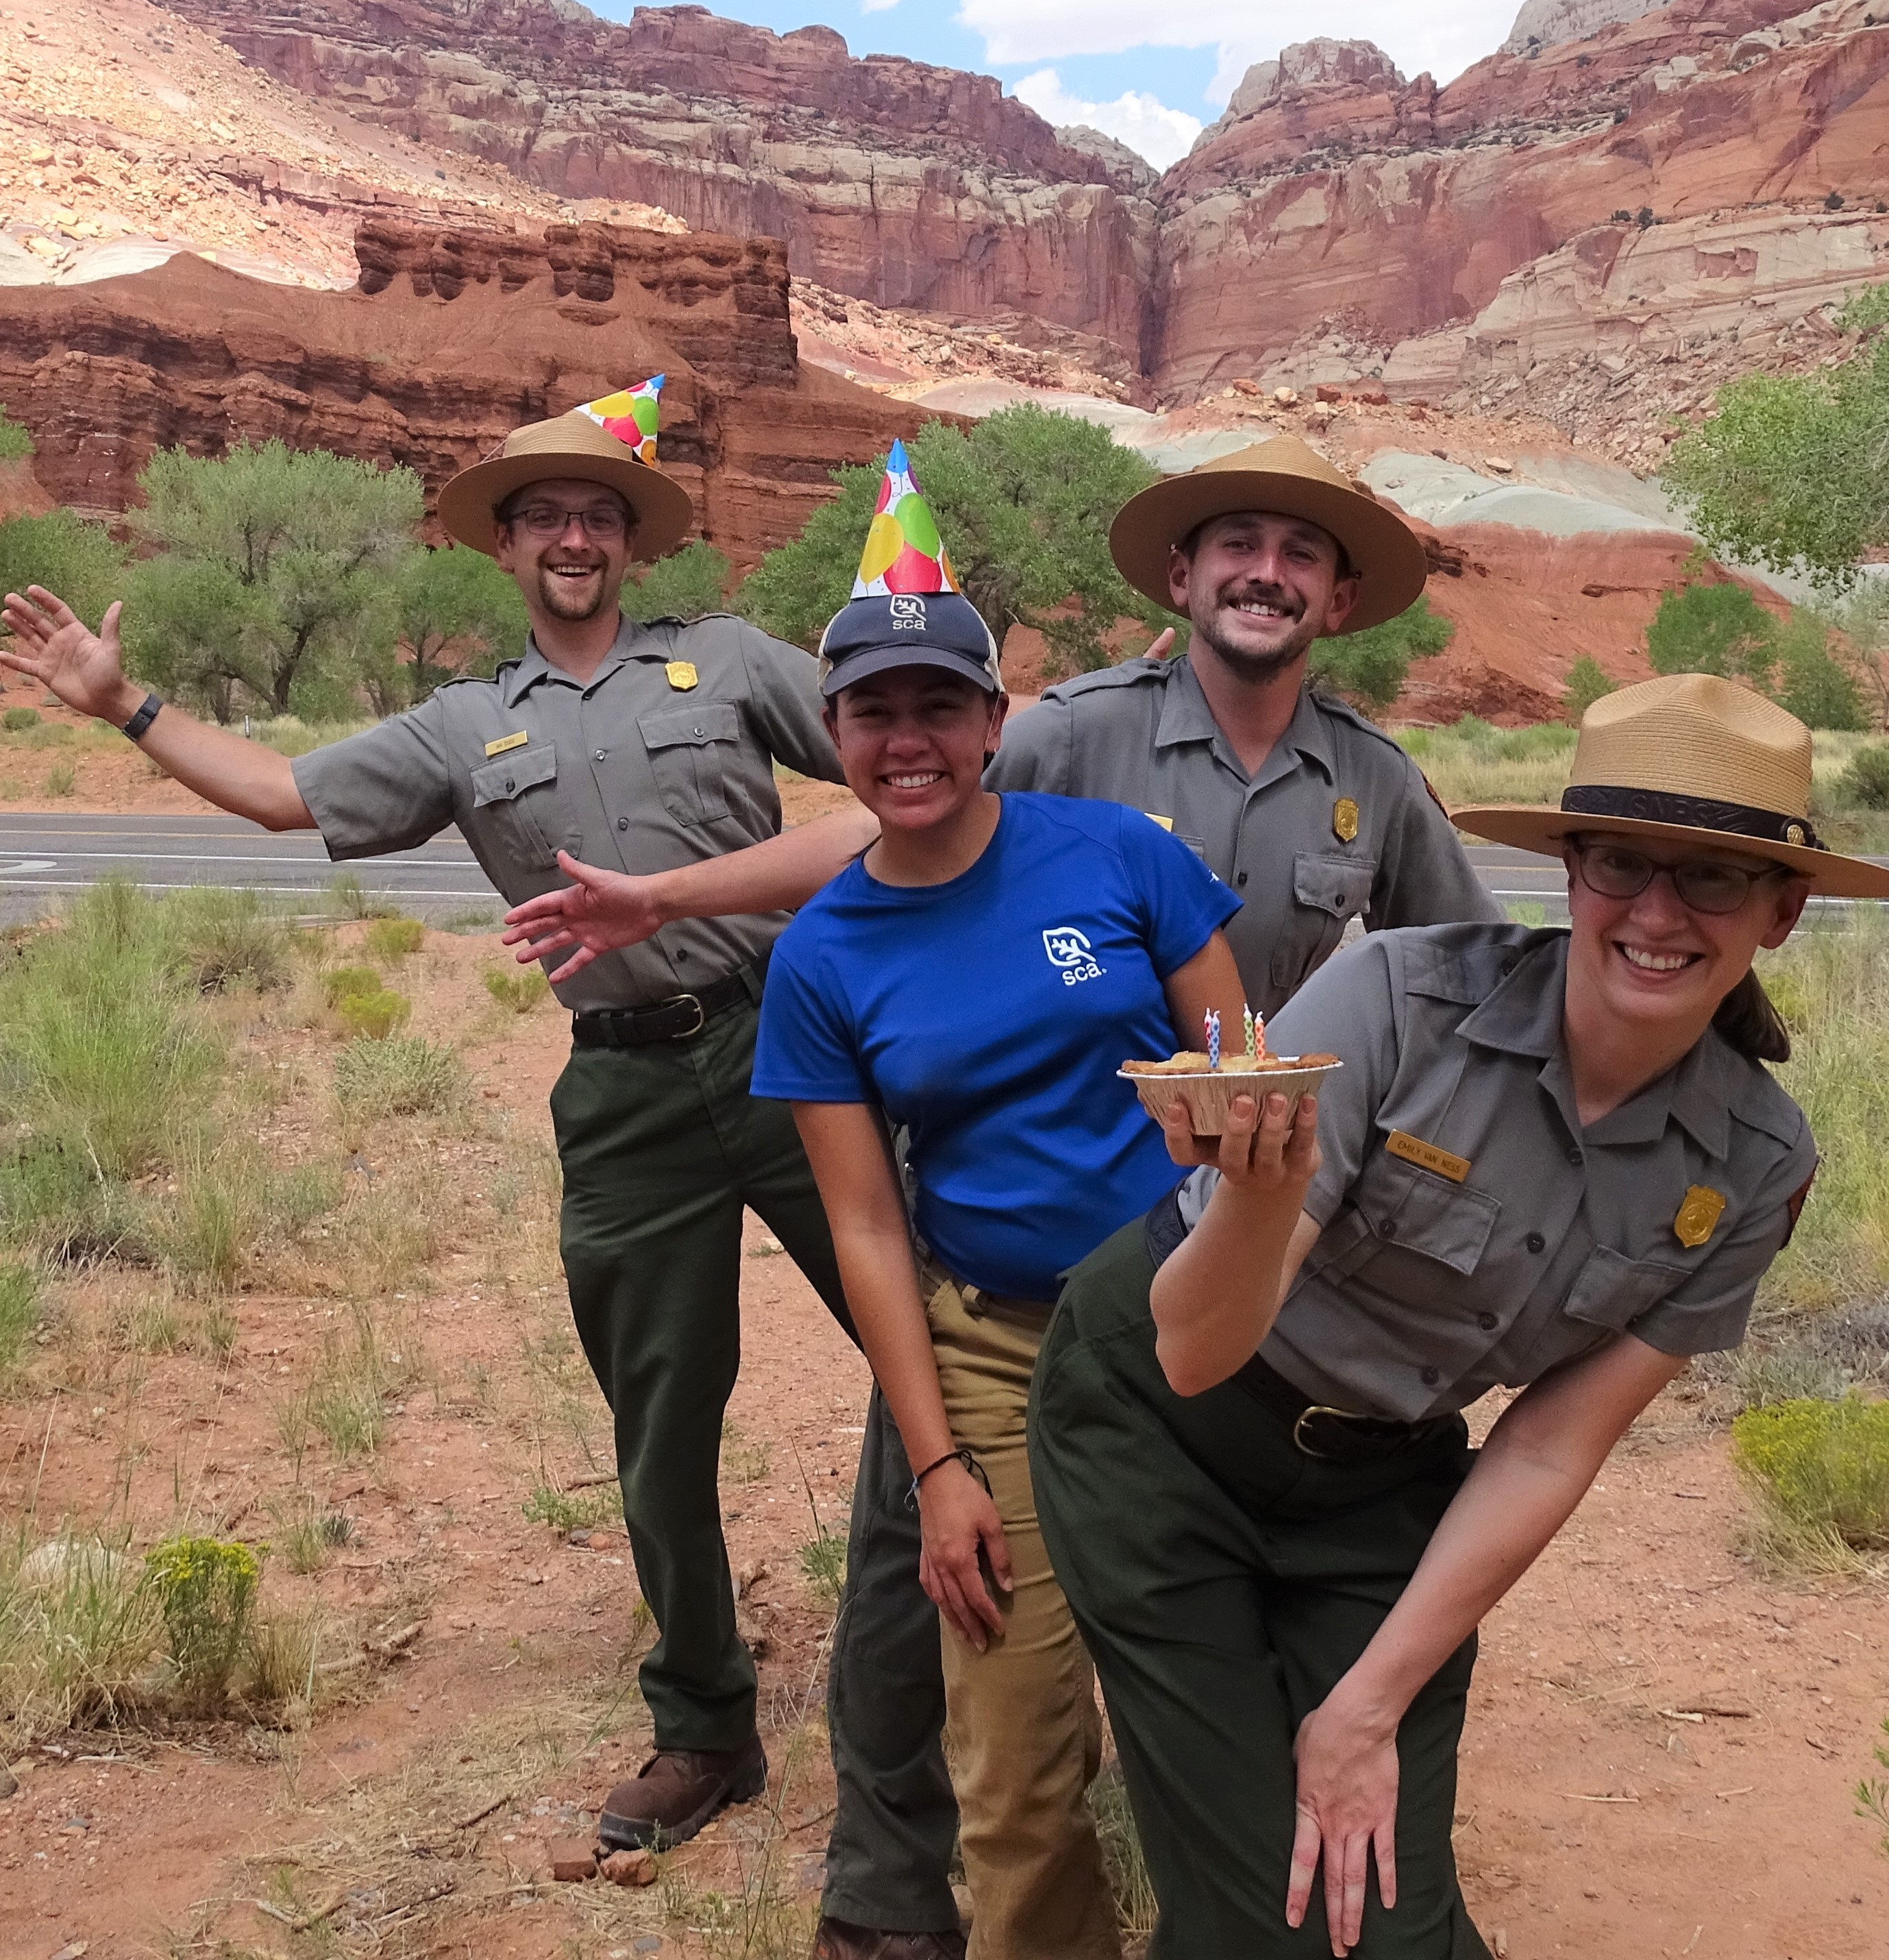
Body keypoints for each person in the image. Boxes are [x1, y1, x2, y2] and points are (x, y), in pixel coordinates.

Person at [501, 431, 1499, 1959]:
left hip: (1234, 1265)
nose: (1266, 572)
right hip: (1002, 1293)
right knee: (928, 1594)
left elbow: (1460, 974)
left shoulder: (1364, 781)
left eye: (1300, 553)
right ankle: (886, 1900)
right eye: (1238, 544)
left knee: (1226, 1619)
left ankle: (1268, 1891)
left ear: (1339, 594)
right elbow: (894, 830)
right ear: (1182, 574)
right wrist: (664, 894)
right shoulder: (1072, 746)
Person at [0, 380, 881, 1854]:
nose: (576, 538)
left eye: (600, 515)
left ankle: (984, 1654)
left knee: (934, 1341)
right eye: (548, 518)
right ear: (508, 545)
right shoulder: (468, 722)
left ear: (631, 539)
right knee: (659, 1419)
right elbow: (286, 794)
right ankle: (706, 1724)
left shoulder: (727, 662)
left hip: (795, 1041)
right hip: (624, 1089)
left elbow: (898, 764)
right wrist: (125, 707)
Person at [1024, 674, 1889, 1956]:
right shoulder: (1394, 1001)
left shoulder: (1756, 1163)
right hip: (1157, 1435)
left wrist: (1365, 1706)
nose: (1658, 914)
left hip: (1378, 1484)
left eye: (1712, 879)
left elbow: (1552, 1443)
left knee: (1389, 1927)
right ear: (1570, 873)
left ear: (1782, 912)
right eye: (1622, 863)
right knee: (1258, 1923)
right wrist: (1263, 1201)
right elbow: (1193, 1350)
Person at [754, 544, 1250, 1960]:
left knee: (1227, 1709)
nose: (906, 740)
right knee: (1016, 1758)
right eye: (872, 712)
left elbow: (1240, 1087)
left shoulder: (1120, 858)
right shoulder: (824, 956)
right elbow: (864, 1225)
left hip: (1192, 1318)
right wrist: (937, 1466)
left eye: (936, 705)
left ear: (991, 719)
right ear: (836, 734)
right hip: (999, 1347)